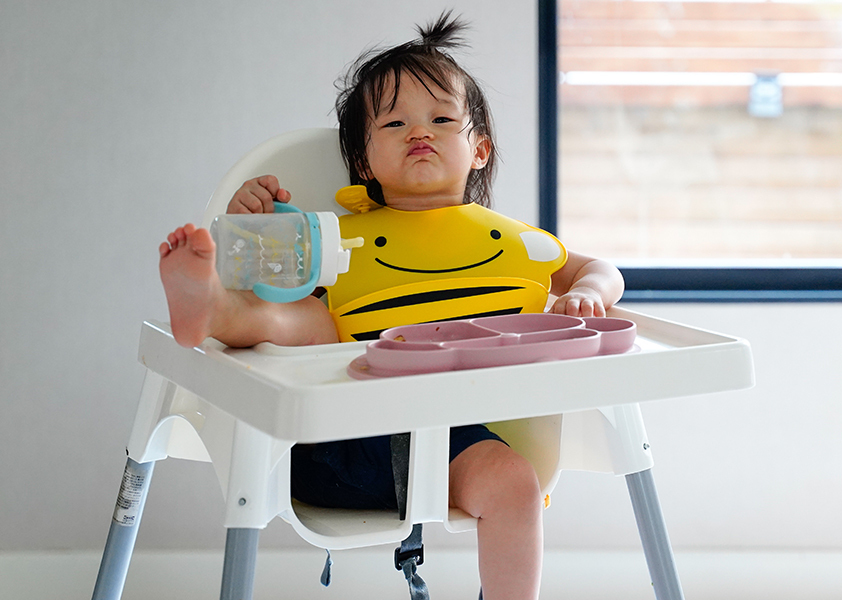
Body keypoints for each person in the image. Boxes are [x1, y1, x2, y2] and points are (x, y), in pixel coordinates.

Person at [157, 13, 623, 600]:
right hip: (339, 438)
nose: (418, 132)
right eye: (395, 121)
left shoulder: (515, 242)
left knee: (516, 486)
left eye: (441, 119)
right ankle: (213, 311)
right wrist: (253, 226)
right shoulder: (333, 237)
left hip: (458, 445)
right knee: (309, 323)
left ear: (479, 148)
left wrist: (587, 293)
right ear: (363, 162)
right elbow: (279, 284)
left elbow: (600, 270)